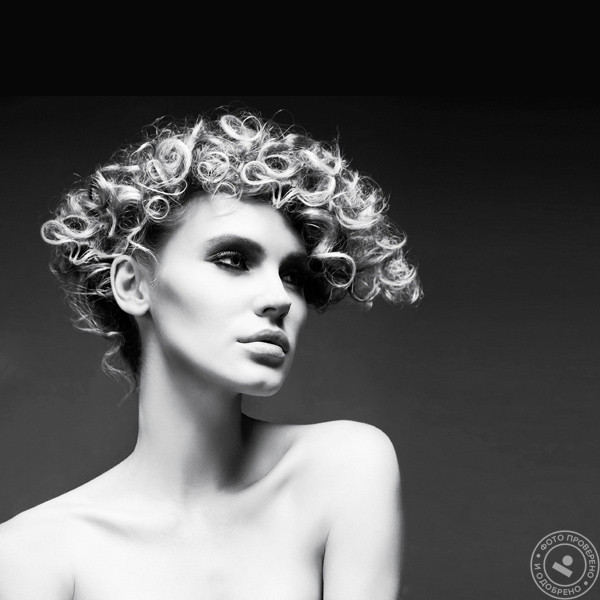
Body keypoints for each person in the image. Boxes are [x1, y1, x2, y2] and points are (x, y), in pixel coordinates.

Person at [0, 109, 421, 599]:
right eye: (233, 260)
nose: (281, 299)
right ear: (134, 284)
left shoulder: (343, 470)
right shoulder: (35, 555)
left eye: (292, 276)